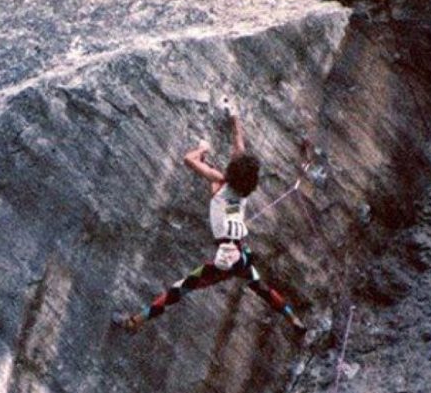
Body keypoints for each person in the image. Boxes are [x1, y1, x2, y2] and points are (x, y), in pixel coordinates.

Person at [113, 106, 306, 335]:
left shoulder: (221, 182)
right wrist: (234, 116)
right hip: (241, 256)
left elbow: (188, 159)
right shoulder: (244, 192)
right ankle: (294, 319)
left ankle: (134, 322)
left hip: (225, 260)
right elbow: (239, 147)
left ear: (231, 172)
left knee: (180, 289)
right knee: (261, 288)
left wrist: (202, 148)